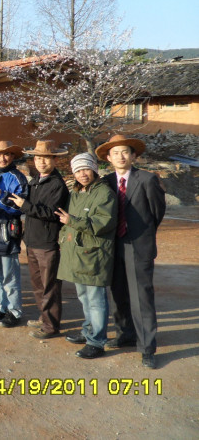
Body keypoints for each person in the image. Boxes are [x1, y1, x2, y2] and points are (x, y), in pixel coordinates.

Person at [96, 134, 166, 369]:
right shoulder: (106, 182)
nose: (120, 156)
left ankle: (147, 347)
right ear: (108, 158)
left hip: (138, 245)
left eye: (125, 152)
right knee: (118, 293)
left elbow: (156, 213)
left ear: (133, 155)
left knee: (141, 297)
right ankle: (125, 334)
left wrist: (141, 235)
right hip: (112, 245)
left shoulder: (147, 179)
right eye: (115, 153)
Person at [55, 153, 117, 359]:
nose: (82, 174)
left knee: (96, 299)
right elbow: (67, 222)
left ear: (94, 169)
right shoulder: (76, 193)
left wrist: (72, 221)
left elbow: (103, 223)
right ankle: (88, 330)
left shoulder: (104, 193)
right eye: (78, 171)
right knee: (83, 297)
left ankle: (97, 341)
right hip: (78, 253)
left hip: (95, 254)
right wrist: (63, 240)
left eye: (86, 169)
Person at [9, 140, 70, 340]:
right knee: (38, 286)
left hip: (48, 242)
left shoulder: (57, 184)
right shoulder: (35, 180)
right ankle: (44, 318)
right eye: (38, 158)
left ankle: (51, 326)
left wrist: (25, 205)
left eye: (46, 158)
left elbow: (51, 213)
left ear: (54, 160)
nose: (41, 162)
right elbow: (29, 207)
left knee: (49, 286)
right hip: (33, 241)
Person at [0, 140, 29, 328]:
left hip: (7, 231)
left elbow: (21, 207)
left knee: (10, 276)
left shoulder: (18, 178)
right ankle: (3, 307)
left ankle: (15, 311)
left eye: (6, 154)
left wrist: (1, 197)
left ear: (13, 156)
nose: (2, 158)